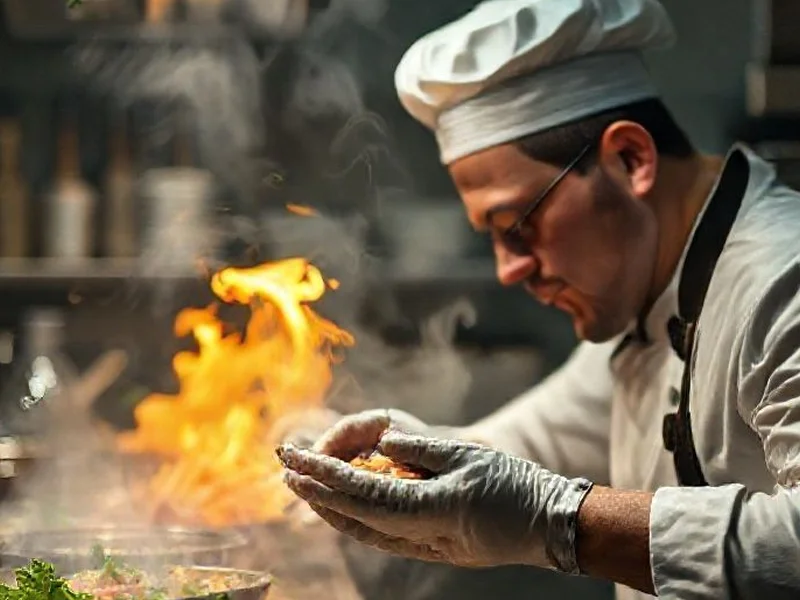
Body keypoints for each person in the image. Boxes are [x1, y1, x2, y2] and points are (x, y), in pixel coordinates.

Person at [277, 0, 800, 598]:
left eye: (517, 224)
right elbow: (530, 447)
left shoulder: (783, 276)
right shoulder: (652, 290)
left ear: (630, 160)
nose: (509, 270)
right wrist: (392, 460)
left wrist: (559, 521)